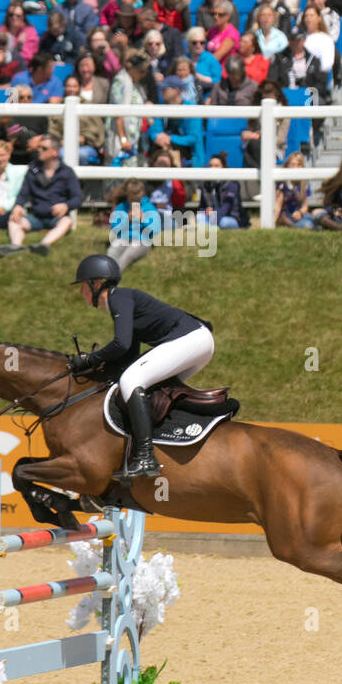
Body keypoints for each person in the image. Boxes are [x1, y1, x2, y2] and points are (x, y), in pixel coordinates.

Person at [66, 253, 215, 478]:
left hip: (190, 339)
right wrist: (98, 368)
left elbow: (120, 343)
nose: (80, 292)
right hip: (197, 342)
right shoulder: (123, 302)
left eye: (82, 286)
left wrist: (89, 360)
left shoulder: (118, 297)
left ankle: (145, 457)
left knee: (131, 380)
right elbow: (129, 354)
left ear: (96, 284)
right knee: (145, 386)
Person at [0, 135, 82, 257]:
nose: (39, 150)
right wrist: (18, 206)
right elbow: (23, 193)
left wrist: (66, 206)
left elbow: (78, 198)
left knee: (67, 221)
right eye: (39, 147)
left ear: (55, 152)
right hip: (37, 217)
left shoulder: (67, 172)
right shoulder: (33, 169)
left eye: (44, 148)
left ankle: (43, 245)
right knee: (13, 220)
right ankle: (16, 246)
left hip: (57, 217)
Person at [107, 177, 162, 271]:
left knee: (127, 255)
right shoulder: (121, 207)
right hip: (123, 238)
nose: (135, 201)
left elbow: (156, 231)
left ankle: (114, 276)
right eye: (132, 199)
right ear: (127, 195)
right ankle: (107, 273)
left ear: (143, 194)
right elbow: (114, 229)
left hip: (142, 240)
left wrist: (143, 219)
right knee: (111, 252)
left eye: (138, 198)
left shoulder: (149, 208)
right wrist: (127, 219)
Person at [200, 152, 250, 229]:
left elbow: (227, 207)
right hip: (213, 216)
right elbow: (202, 207)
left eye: (216, 166)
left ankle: (213, 230)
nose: (212, 168)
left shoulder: (232, 183)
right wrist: (206, 211)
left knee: (224, 222)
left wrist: (214, 216)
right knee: (200, 217)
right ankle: (210, 232)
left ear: (223, 167)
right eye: (210, 165)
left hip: (230, 217)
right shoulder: (206, 184)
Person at [275, 152, 315, 229]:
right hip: (285, 213)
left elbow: (305, 206)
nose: (295, 168)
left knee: (312, 218)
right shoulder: (282, 183)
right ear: (288, 165)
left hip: (298, 213)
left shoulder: (304, 182)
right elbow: (278, 205)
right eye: (293, 165)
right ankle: (290, 225)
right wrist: (274, 221)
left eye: (298, 165)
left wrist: (300, 213)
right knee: (307, 225)